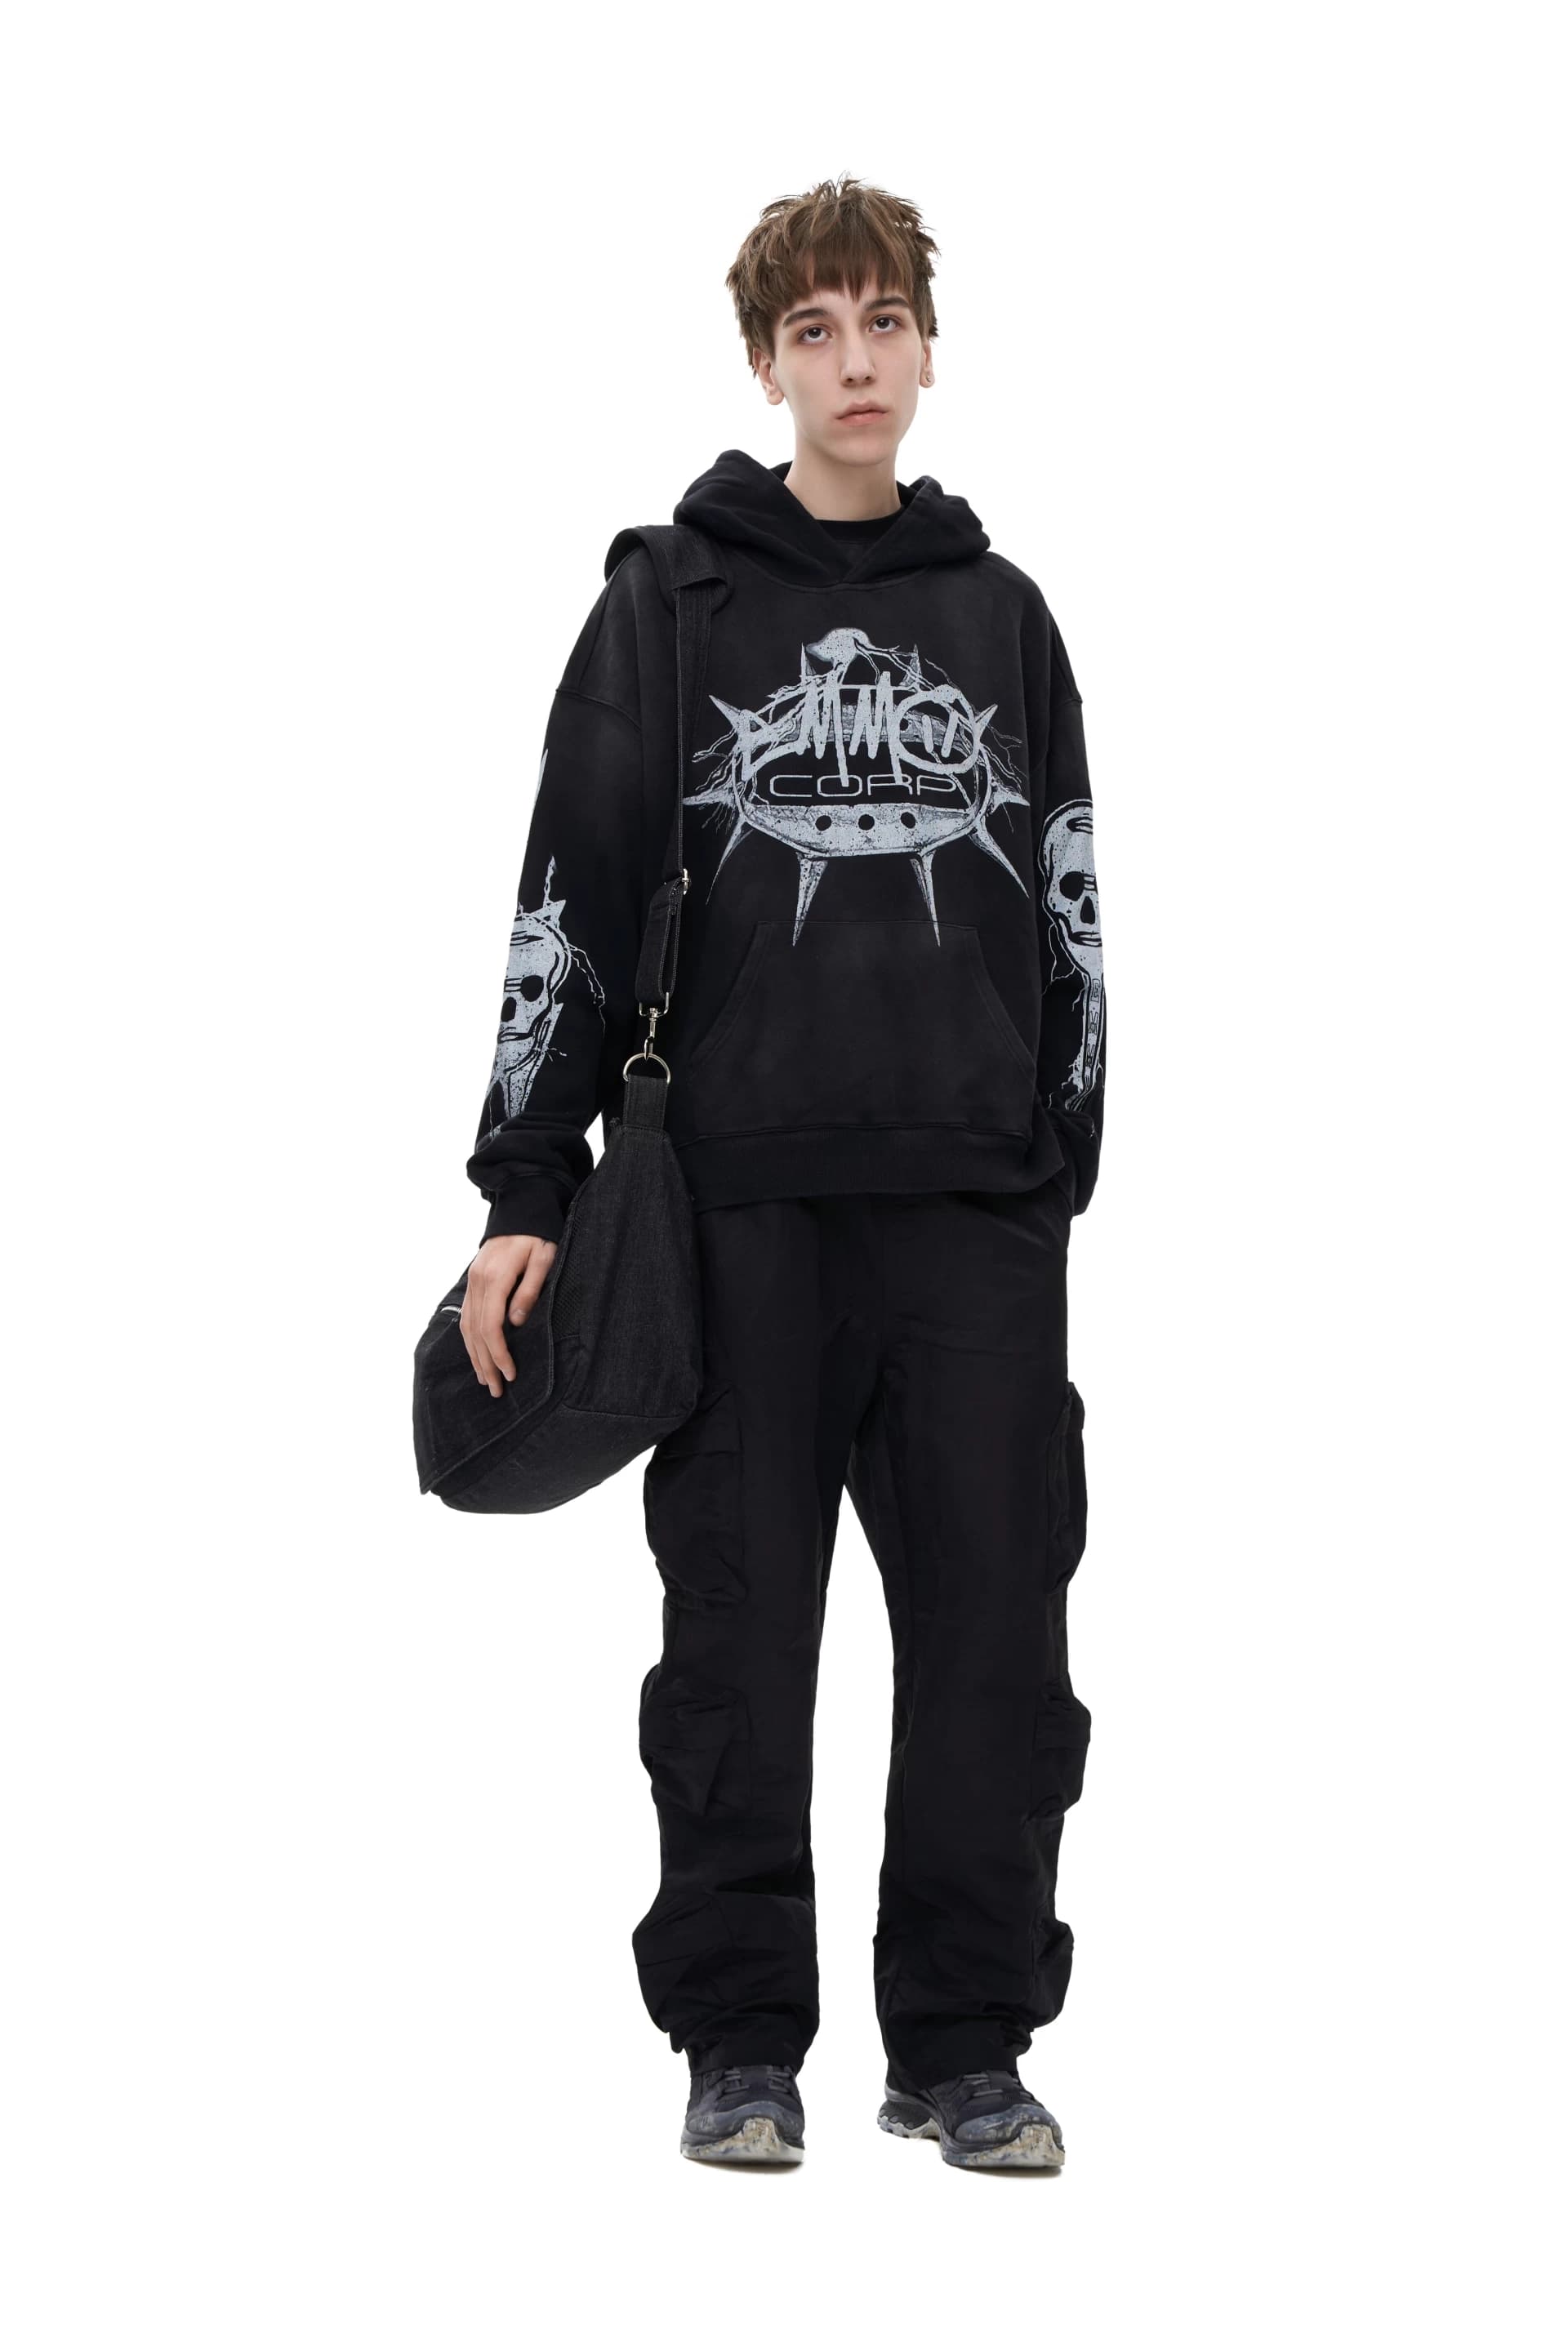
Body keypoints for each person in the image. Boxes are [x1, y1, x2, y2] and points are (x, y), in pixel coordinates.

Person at [457, 175, 1105, 2170]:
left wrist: (1054, 1153)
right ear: (765, 363)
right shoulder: (671, 599)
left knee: (998, 1646)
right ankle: (740, 2041)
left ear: (930, 348)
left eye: (881, 321)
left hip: (973, 1210)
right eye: (813, 330)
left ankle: (964, 2046)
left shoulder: (1004, 616)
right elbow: (569, 886)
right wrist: (525, 1185)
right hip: (735, 1204)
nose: (853, 362)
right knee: (739, 1645)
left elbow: (1070, 895)